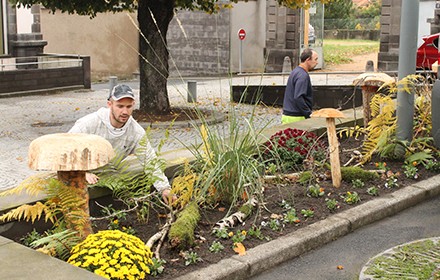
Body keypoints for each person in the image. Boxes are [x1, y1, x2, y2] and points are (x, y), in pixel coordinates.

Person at [69, 84, 175, 202]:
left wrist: (165, 188)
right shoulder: (88, 124)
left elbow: (149, 160)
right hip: (77, 175)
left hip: (108, 177)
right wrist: (80, 173)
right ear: (110, 104)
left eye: (129, 106)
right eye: (120, 106)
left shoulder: (136, 132)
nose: (125, 111)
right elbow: (65, 148)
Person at [282, 48, 319, 124]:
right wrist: (308, 114)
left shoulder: (295, 71)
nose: (317, 62)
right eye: (315, 59)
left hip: (287, 115)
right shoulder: (303, 76)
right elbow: (298, 97)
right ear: (308, 59)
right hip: (297, 117)